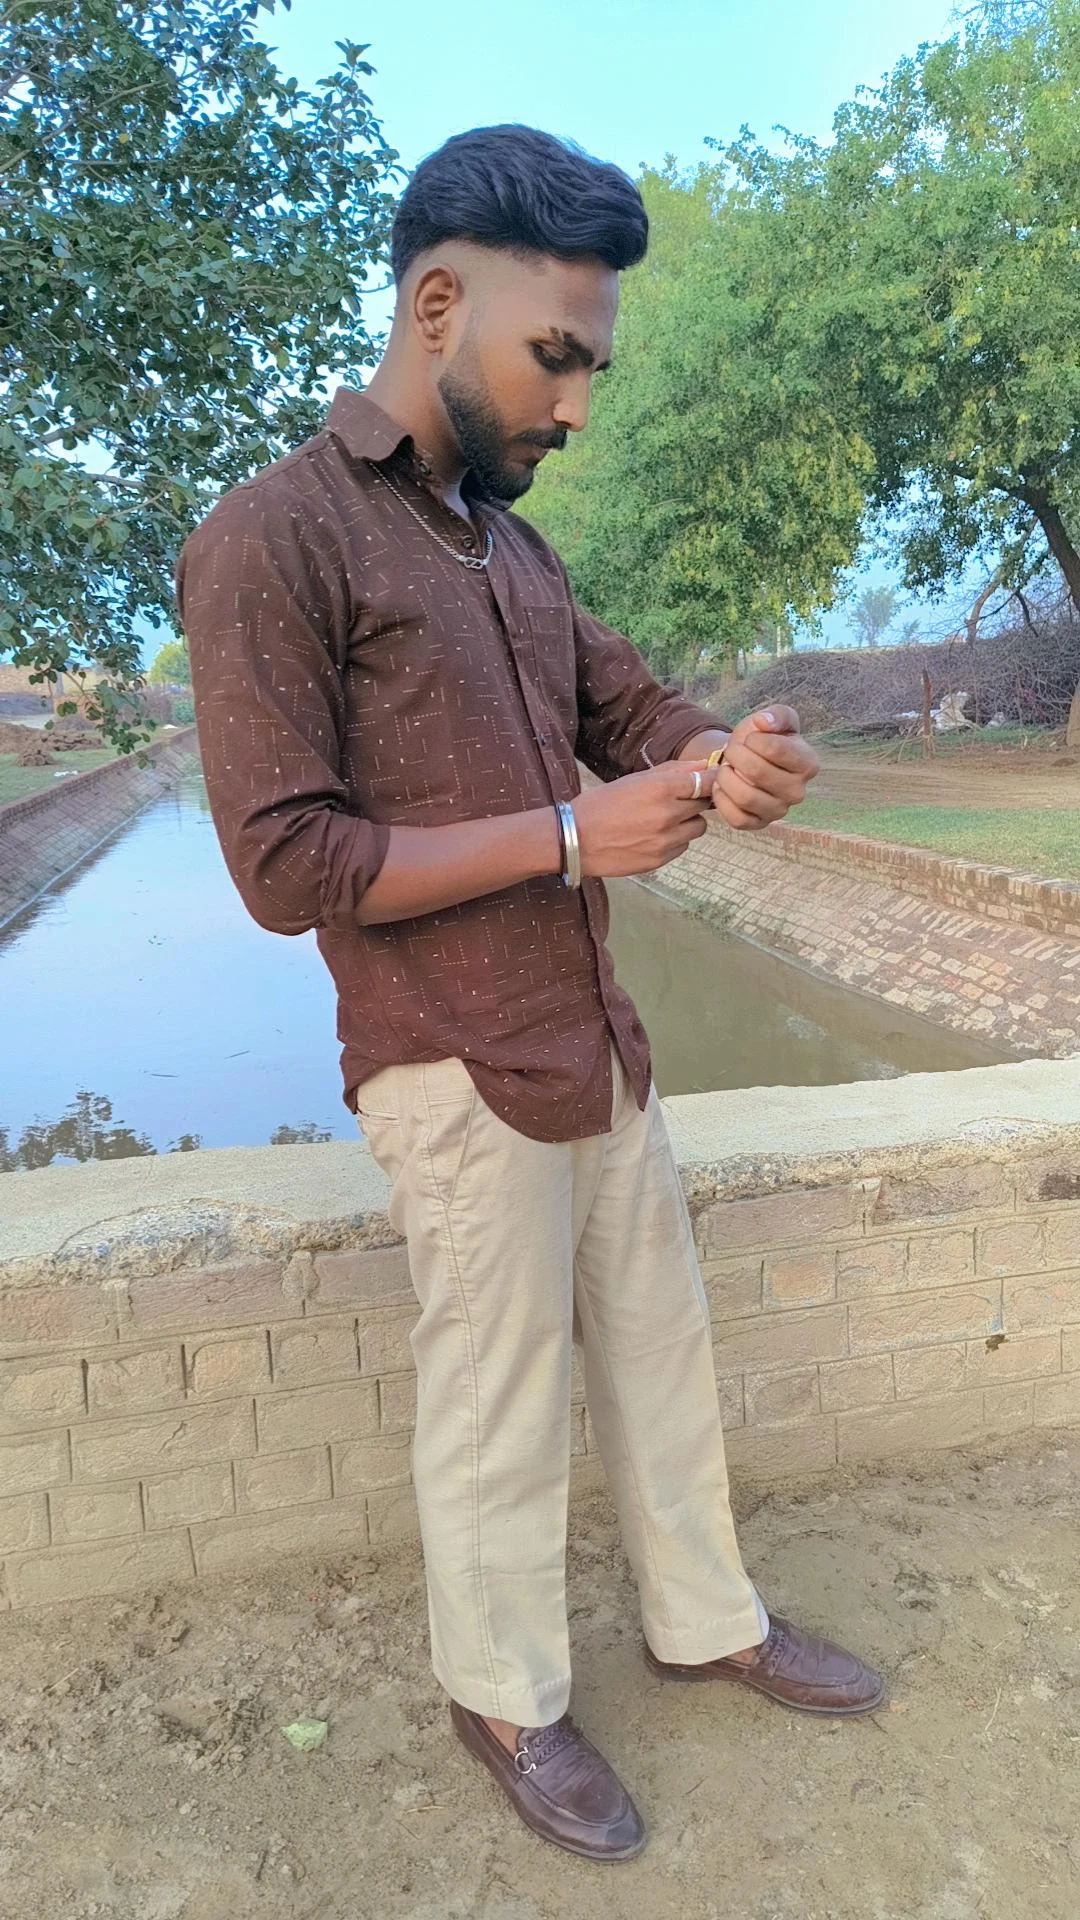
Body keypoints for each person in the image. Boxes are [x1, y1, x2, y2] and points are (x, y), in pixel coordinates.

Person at [176, 123, 885, 1864]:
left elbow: (633, 715)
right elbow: (284, 864)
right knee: (497, 1403)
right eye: (554, 355)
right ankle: (502, 1696)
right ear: (438, 304)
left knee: (661, 1352)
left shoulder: (515, 554)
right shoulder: (271, 537)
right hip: (446, 1061)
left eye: (591, 368)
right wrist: (573, 837)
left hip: (595, 1042)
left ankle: (706, 1620)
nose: (575, 405)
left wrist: (728, 753)